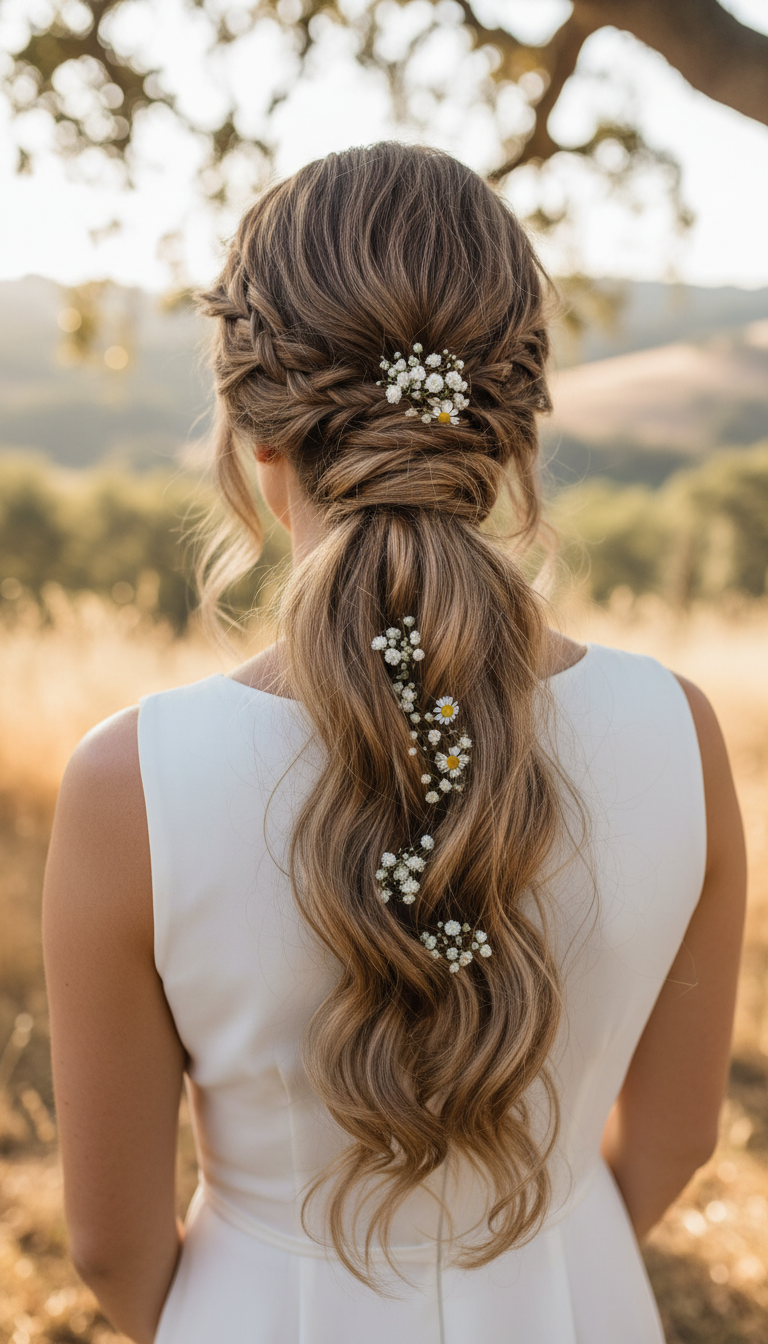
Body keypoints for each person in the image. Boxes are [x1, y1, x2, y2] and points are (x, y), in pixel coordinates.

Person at [42, 142, 747, 1344]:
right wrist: (541, 1265)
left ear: (254, 433)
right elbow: (679, 1136)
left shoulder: (131, 782)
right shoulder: (680, 731)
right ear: (513, 429)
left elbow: (110, 1246)